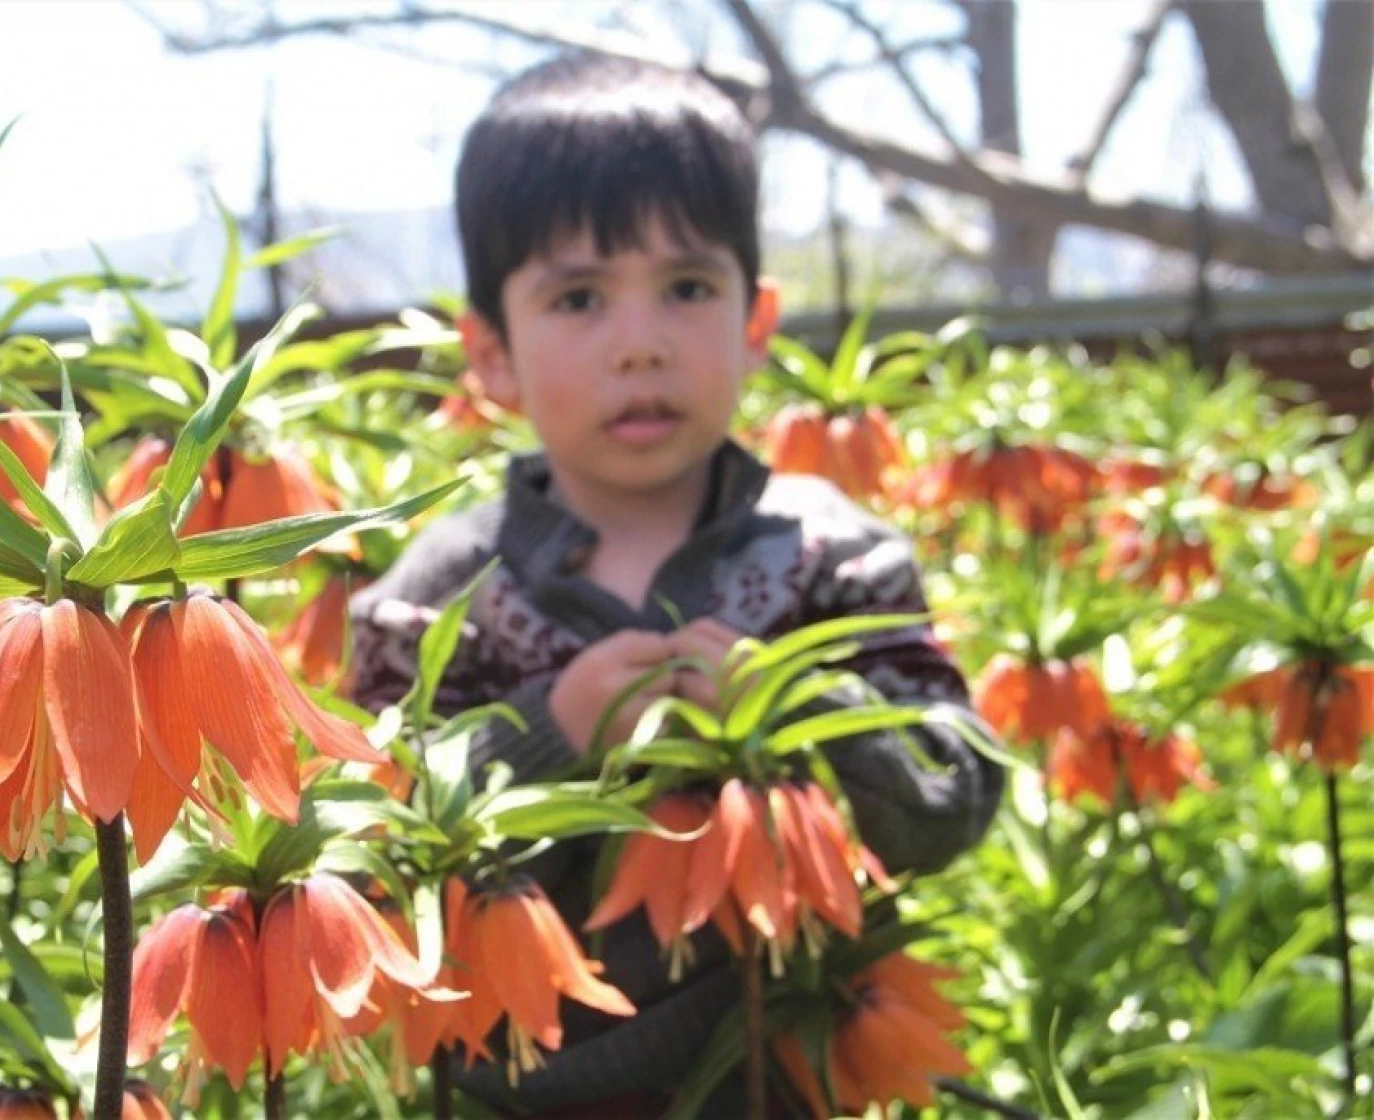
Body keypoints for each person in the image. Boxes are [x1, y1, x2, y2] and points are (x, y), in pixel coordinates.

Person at [348, 52, 1004, 1118]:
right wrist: (552, 727)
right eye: (578, 298)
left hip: (792, 1079)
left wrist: (804, 712)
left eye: (687, 288)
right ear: (492, 354)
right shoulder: (438, 590)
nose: (640, 345)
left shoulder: (837, 558)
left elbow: (952, 798)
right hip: (517, 1092)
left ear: (756, 321)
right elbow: (375, 843)